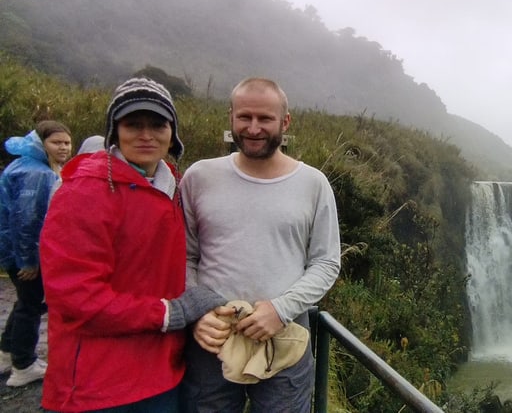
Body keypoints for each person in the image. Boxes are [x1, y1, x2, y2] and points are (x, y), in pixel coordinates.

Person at [38, 78, 225, 412]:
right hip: (97, 388)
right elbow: (75, 296)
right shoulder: (83, 192)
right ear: (114, 131)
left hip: (164, 374)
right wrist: (171, 312)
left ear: (173, 133)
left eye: (157, 124)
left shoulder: (172, 186)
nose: (146, 134)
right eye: (132, 124)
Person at [180, 77, 341, 413]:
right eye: (245, 117)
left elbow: (326, 262)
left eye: (265, 119)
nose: (253, 128)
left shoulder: (313, 183)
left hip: (285, 343)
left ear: (285, 122)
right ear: (231, 117)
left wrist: (280, 310)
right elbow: (184, 256)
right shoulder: (198, 177)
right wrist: (198, 312)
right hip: (212, 341)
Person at [0, 120, 71, 387]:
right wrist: (29, 260)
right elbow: (28, 220)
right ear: (41, 144)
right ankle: (24, 365)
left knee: (22, 302)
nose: (63, 148)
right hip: (25, 253)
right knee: (31, 306)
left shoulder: (24, 165)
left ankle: (7, 353)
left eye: (66, 142)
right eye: (56, 142)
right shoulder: (39, 174)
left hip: (11, 249)